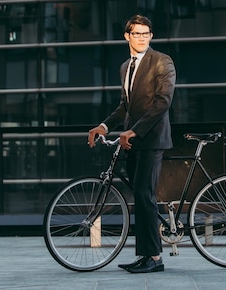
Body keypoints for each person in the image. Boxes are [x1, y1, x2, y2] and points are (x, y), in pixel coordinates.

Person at [88, 14, 176, 274]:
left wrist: (134, 131)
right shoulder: (126, 66)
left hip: (151, 139)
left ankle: (155, 259)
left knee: (144, 194)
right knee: (140, 196)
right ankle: (145, 254)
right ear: (127, 36)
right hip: (132, 140)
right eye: (137, 33)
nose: (142, 38)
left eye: (146, 33)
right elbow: (125, 106)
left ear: (151, 36)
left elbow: (163, 102)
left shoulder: (162, 61)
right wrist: (104, 126)